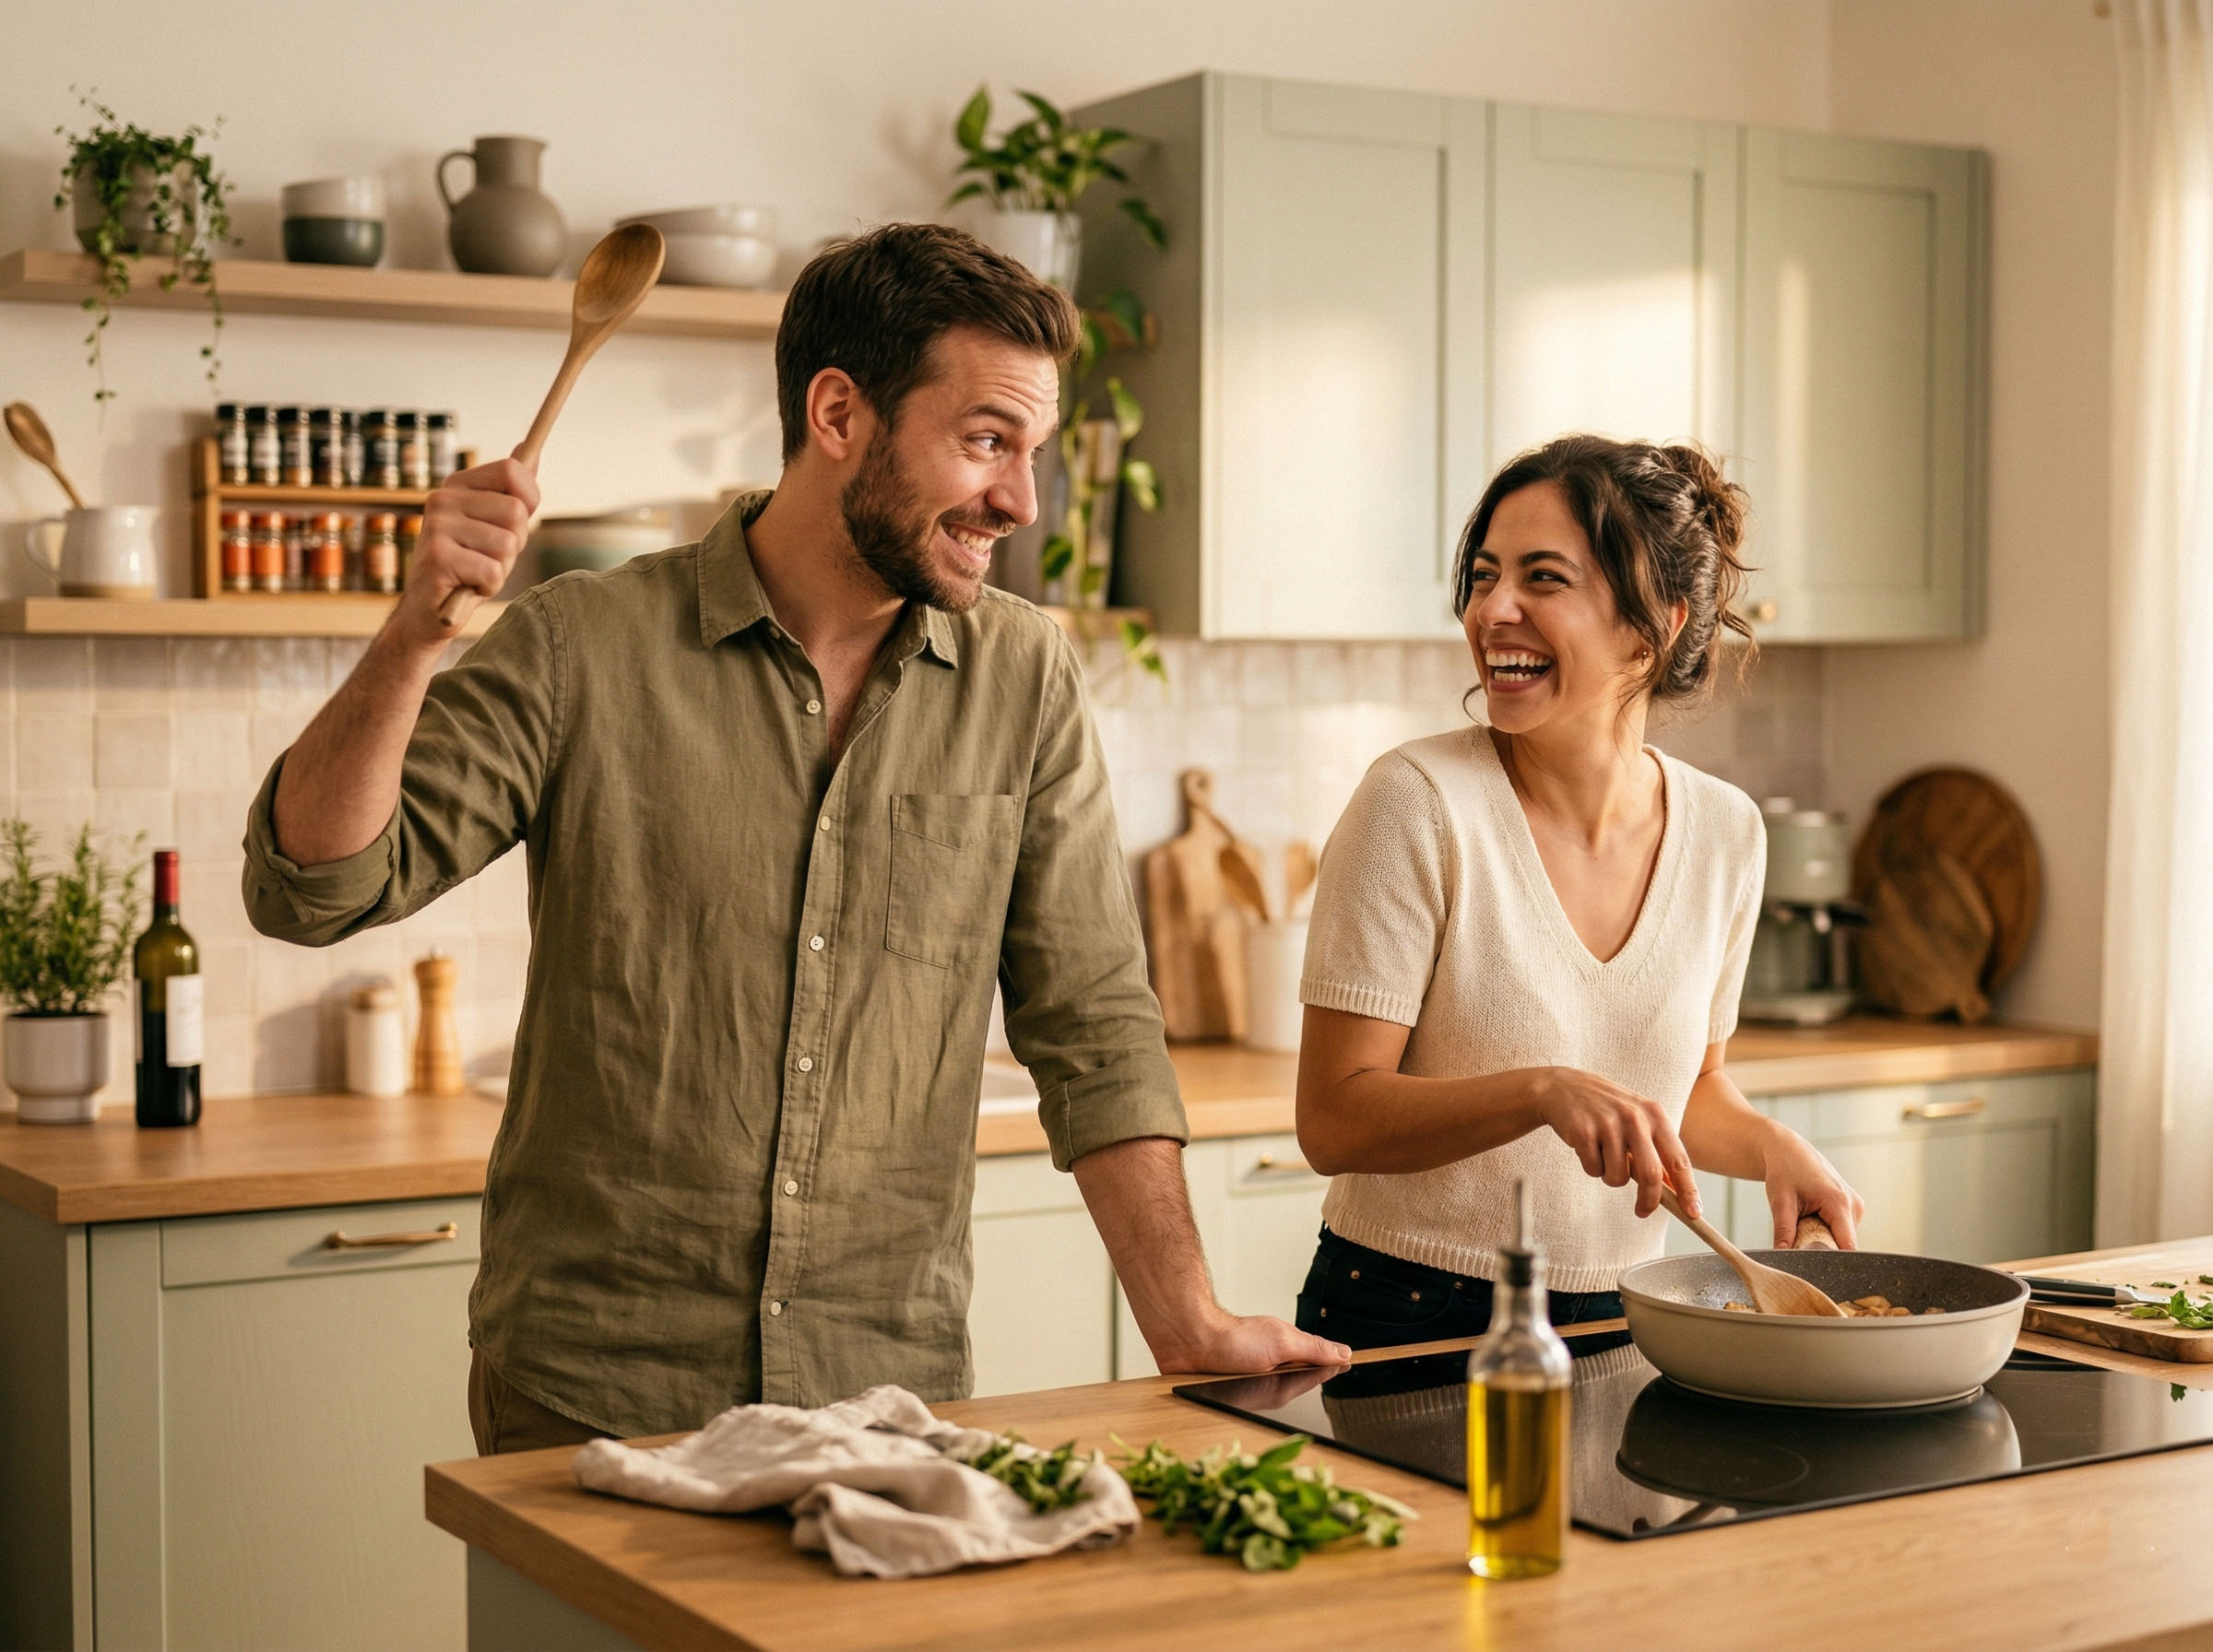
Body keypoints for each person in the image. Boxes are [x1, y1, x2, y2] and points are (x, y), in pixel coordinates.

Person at [244, 222, 1345, 1452]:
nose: (1020, 502)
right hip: (595, 1393)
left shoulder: (1023, 677)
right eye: (986, 440)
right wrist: (412, 636)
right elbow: (312, 888)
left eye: (1030, 452)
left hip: (884, 1396)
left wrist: (1188, 1322)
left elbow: (1091, 1024)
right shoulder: (581, 645)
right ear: (838, 415)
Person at [1291, 433, 1864, 1350]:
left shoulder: (1726, 832)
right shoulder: (1417, 802)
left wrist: (1770, 1147)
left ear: (1656, 626)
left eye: (1543, 578)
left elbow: (1686, 1088)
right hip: (1411, 1309)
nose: (1493, 610)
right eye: (1484, 576)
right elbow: (1333, 1119)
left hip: (1630, 1310)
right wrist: (1541, 1091)